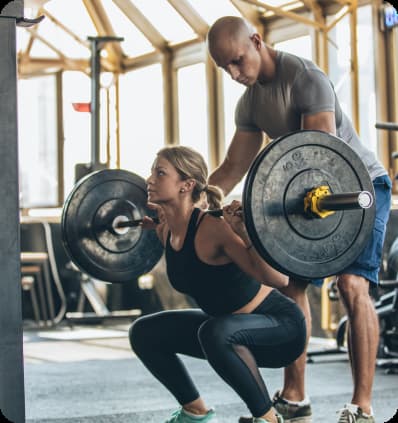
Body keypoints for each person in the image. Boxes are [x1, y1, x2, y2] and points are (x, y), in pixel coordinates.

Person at [206, 16, 392, 423]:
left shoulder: (306, 79)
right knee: (292, 287)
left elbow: (317, 160)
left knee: (351, 283)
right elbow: (233, 167)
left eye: (238, 61)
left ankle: (362, 406)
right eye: (225, 69)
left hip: (357, 188)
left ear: (257, 41)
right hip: (305, 195)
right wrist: (195, 199)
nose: (235, 74)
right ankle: (295, 397)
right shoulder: (250, 101)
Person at [129, 145, 307, 423]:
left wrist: (245, 233)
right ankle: (195, 411)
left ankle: (269, 418)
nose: (150, 179)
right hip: (226, 328)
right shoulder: (165, 230)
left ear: (186, 185)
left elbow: (279, 279)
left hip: (279, 327)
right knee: (144, 332)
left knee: (214, 331)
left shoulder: (214, 230)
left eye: (160, 173)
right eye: (152, 172)